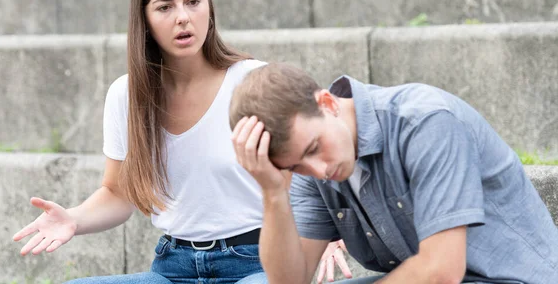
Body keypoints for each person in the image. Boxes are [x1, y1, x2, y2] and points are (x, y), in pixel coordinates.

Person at [12, 0, 345, 283]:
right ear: (144, 21)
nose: (183, 17)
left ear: (209, 8)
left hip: (256, 261)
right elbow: (117, 193)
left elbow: (304, 167)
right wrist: (72, 219)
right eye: (164, 7)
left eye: (193, 2)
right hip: (173, 266)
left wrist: (321, 231)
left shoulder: (253, 81)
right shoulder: (126, 96)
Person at [229, 62, 558, 284]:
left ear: (328, 104)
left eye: (314, 148)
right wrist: (273, 193)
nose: (319, 170)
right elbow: (290, 280)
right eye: (296, 166)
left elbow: (441, 270)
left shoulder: (425, 122)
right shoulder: (310, 164)